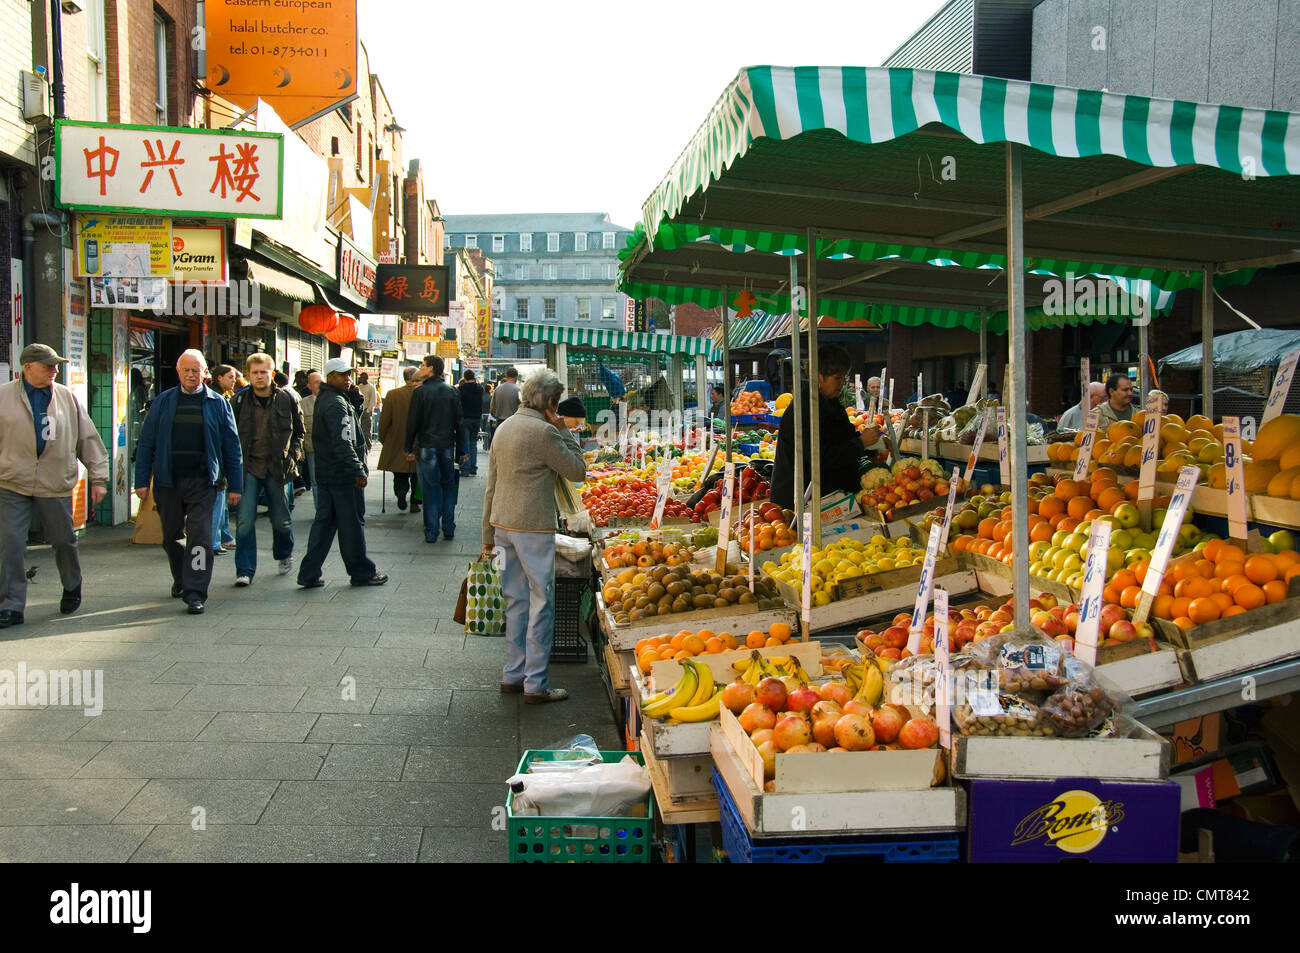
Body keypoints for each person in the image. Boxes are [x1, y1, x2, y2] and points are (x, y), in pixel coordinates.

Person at [481, 368, 587, 704]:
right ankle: (535, 685)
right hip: (533, 527)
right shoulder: (546, 433)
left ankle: (512, 676)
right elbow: (578, 471)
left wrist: (486, 534)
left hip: (502, 525)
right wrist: (563, 431)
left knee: (516, 601)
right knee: (542, 603)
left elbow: (491, 486)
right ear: (552, 403)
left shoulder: (504, 428)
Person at [0, 344, 109, 627]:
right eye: (48, 365)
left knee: (63, 541)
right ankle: (11, 604)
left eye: (56, 365)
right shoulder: (3, 397)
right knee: (10, 544)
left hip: (54, 481)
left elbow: (88, 440)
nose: (55, 370)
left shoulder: (66, 398)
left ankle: (72, 585)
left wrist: (98, 478)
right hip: (13, 481)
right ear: (27, 367)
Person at [134, 349, 243, 615]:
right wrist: (141, 481)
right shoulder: (162, 402)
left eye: (197, 370)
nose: (192, 375)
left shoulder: (218, 403)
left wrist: (236, 485)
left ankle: (195, 592)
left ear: (205, 372)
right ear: (178, 372)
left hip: (203, 482)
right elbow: (147, 442)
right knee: (172, 536)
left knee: (200, 538)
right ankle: (181, 578)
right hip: (167, 481)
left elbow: (232, 446)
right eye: (187, 370)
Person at [296, 359, 387, 589]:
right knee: (351, 524)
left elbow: (344, 432)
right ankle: (362, 571)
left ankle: (309, 572)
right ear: (330, 377)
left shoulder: (331, 399)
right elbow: (343, 441)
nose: (347, 378)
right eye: (341, 375)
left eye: (349, 374)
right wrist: (356, 468)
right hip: (341, 475)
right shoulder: (335, 403)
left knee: (325, 523)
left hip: (328, 472)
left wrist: (354, 402)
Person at [770, 344, 882, 510]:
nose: (843, 383)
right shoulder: (805, 409)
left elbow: (845, 436)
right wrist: (861, 443)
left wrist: (871, 443)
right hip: (800, 503)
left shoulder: (829, 402)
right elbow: (821, 457)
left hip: (824, 497)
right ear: (819, 377)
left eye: (844, 377)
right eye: (837, 378)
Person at [230, 353, 304, 587]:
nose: (259, 376)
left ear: (271, 374)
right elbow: (229, 435)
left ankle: (284, 553)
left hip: (278, 467)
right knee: (244, 521)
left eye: (264, 372)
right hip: (248, 467)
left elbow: (300, 432)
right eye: (255, 373)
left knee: (281, 520)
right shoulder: (239, 401)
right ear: (249, 375)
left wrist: (294, 455)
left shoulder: (286, 399)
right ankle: (245, 569)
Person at [404, 356, 465, 543]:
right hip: (446, 445)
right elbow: (459, 422)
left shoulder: (420, 392)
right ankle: (448, 527)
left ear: (431, 369)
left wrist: (408, 447)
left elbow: (412, 422)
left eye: (422, 365)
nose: (420, 369)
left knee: (430, 490)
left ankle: (431, 531)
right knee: (448, 486)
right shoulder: (452, 391)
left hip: (427, 446)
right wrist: (462, 449)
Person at [378, 366, 420, 510]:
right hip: (418, 441)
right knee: (417, 474)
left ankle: (401, 492)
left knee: (399, 474)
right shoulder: (422, 393)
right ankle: (415, 501)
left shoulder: (392, 394)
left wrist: (385, 440)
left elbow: (384, 422)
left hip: (396, 440)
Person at [208, 364, 238, 554]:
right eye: (230, 376)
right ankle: (214, 541)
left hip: (223, 458)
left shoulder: (226, 397)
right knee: (217, 501)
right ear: (219, 378)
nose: (234, 380)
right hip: (216, 459)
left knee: (222, 502)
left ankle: (223, 536)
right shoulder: (214, 399)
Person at [299, 371, 322, 507]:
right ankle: (320, 510)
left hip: (330, 449)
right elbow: (299, 429)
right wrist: (300, 450)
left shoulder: (333, 400)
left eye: (321, 382)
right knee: (315, 481)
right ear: (309, 385)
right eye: (316, 382)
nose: (320, 385)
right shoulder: (303, 404)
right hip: (311, 448)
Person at [457, 370, 486, 476]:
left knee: (466, 443)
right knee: (473, 443)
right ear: (473, 377)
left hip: (465, 418)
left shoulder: (460, 389)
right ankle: (473, 467)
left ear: (464, 378)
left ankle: (466, 468)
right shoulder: (480, 389)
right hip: (476, 418)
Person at [490, 366, 521, 436]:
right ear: (516, 377)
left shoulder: (497, 389)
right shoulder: (518, 390)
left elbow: (492, 408)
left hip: (500, 422)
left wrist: (496, 415)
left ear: (506, 376)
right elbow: (522, 407)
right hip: (513, 422)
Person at [358, 372, 378, 444]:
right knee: (359, 429)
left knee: (366, 430)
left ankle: (367, 445)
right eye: (360, 377)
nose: (361, 379)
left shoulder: (371, 387)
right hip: (359, 409)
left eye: (363, 378)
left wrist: (369, 410)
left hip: (367, 410)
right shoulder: (359, 386)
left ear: (366, 378)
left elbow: (373, 400)